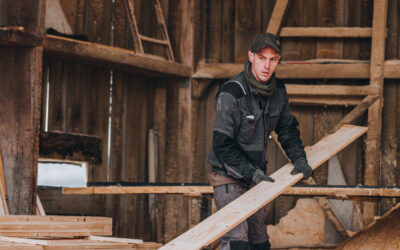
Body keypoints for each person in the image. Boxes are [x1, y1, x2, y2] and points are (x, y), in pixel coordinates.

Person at [207, 33, 312, 250]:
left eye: (273, 60)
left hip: (256, 178)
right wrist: (250, 172)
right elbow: (222, 145)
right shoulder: (232, 93)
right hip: (228, 177)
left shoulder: (278, 91)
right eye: (262, 58)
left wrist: (300, 159)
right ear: (251, 56)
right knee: (237, 242)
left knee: (260, 243)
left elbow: (287, 130)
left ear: (278, 61)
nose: (267, 65)